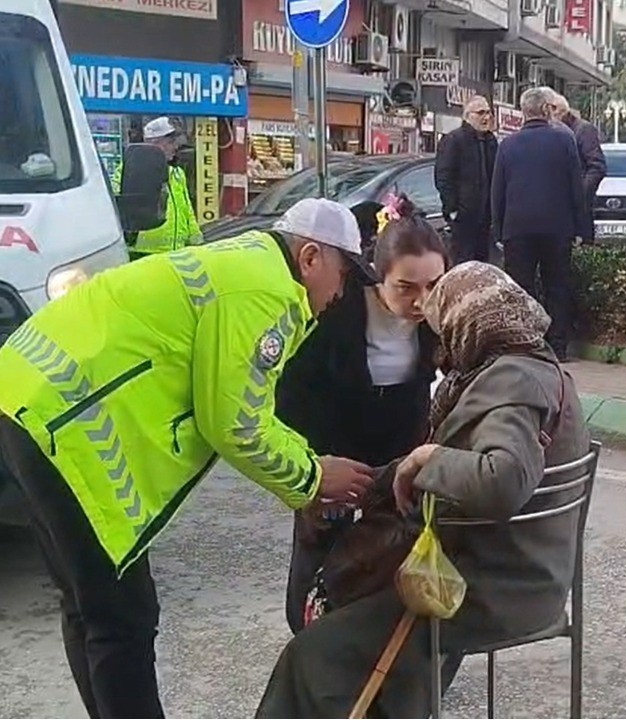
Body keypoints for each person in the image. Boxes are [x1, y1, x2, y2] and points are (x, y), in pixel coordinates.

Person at [0, 197, 380, 718]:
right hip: (65, 422)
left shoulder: (245, 263)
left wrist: (306, 467)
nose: (340, 294)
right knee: (123, 616)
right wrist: (312, 479)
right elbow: (235, 424)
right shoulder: (267, 291)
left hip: (27, 392)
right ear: (310, 257)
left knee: (92, 608)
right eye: (344, 275)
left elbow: (247, 408)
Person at [256, 261, 589, 718]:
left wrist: (427, 459)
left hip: (491, 587)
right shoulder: (536, 367)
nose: (441, 347)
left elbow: (502, 480)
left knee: (314, 654)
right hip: (509, 571)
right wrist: (373, 481)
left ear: (470, 324)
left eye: (445, 331)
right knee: (359, 630)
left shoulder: (513, 381)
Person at [276, 194, 450, 634]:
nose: (422, 301)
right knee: (319, 560)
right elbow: (293, 392)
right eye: (405, 287)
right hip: (332, 448)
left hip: (398, 451)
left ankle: (380, 650)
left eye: (434, 285)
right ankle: (310, 642)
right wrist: (311, 469)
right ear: (378, 276)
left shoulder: (442, 316)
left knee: (389, 559)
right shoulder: (336, 309)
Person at [492, 86, 591, 362]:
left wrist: (498, 229)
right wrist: (580, 227)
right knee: (557, 286)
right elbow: (575, 187)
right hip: (557, 228)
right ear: (547, 109)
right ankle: (557, 347)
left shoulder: (507, 145)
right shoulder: (564, 141)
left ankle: (525, 344)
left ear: (524, 112)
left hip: (517, 228)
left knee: (520, 288)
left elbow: (497, 190)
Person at [113, 116, 203, 260]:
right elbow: (117, 209)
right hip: (144, 253)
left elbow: (187, 210)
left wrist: (195, 238)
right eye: (171, 142)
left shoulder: (177, 173)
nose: (176, 147)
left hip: (177, 251)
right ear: (154, 144)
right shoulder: (129, 171)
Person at [435, 96, 499, 264]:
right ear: (468, 116)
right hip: (463, 219)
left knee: (483, 265)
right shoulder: (454, 140)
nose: (486, 117)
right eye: (481, 113)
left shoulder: (490, 141)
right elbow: (444, 177)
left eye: (488, 113)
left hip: (485, 219)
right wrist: (453, 209)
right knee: (463, 264)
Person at [548, 89, 609, 211]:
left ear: (558, 111)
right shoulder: (555, 131)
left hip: (576, 208)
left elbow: (597, 167)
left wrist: (580, 197)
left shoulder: (583, 130)